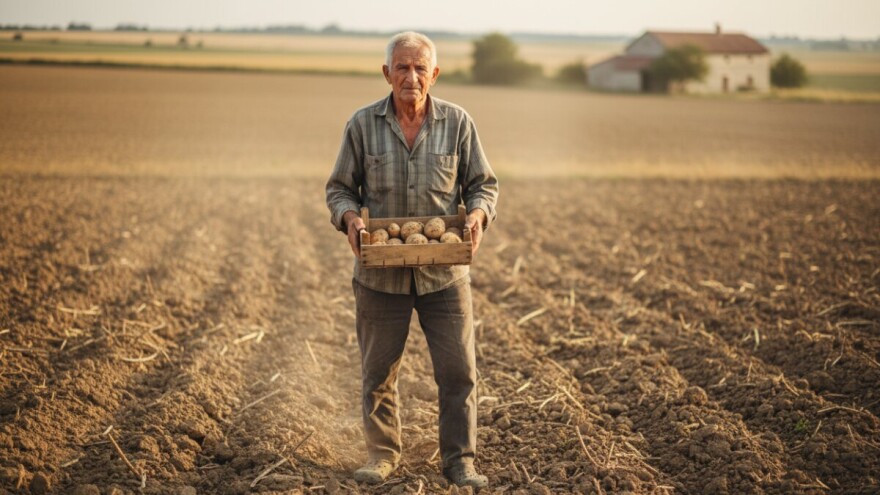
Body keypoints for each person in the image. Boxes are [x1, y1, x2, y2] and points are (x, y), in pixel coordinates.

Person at [325, 31, 499, 488]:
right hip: (379, 275)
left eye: (421, 68)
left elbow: (484, 185)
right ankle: (382, 456)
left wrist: (478, 216)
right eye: (402, 67)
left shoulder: (458, 123)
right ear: (386, 73)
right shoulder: (361, 125)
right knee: (378, 372)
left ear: (435, 74)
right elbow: (339, 189)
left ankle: (460, 461)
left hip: (445, 272)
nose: (411, 76)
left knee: (459, 372)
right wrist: (350, 221)